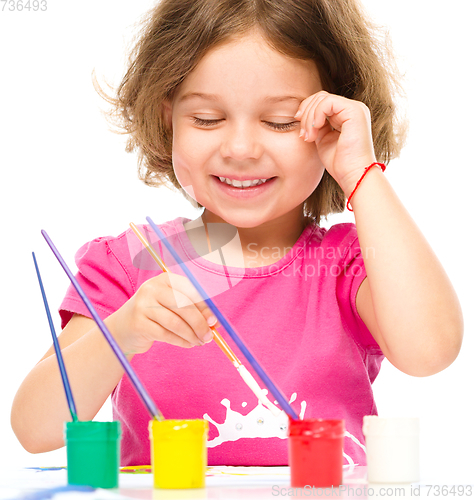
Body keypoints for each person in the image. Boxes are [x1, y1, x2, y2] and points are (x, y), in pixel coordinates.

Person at [11, 0, 463, 467]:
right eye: (207, 119)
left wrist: (361, 172)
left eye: (281, 122)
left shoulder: (348, 263)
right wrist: (121, 332)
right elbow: (35, 430)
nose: (241, 149)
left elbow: (429, 352)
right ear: (169, 119)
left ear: (333, 121)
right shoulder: (131, 263)